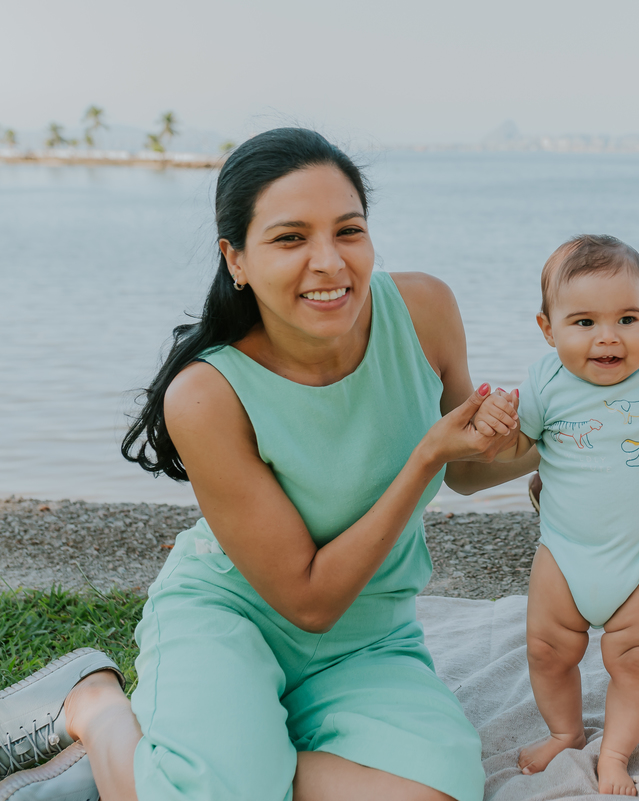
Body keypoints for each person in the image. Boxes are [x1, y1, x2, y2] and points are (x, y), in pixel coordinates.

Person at [0, 128, 535, 801]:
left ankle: (199, 765)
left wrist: (584, 420)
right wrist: (426, 453)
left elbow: (468, 464)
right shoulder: (205, 392)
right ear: (237, 258)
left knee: (438, 792)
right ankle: (97, 706)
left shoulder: (424, 310)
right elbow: (308, 599)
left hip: (368, 636)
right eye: (290, 239)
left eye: (349, 231)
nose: (330, 263)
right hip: (231, 614)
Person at [471, 235, 639, 795]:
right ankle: (566, 733)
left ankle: (615, 754)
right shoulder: (545, 383)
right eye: (584, 322)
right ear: (548, 329)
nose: (608, 337)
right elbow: (511, 443)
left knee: (637, 662)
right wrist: (496, 420)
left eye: (626, 318)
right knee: (547, 652)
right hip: (564, 555)